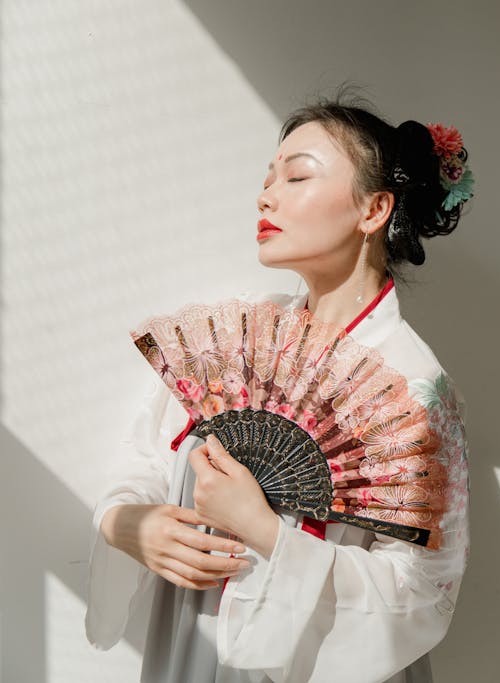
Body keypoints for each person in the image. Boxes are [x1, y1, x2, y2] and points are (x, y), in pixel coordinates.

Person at [84, 85, 474, 683]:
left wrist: (262, 529)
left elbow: (418, 593)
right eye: (268, 176)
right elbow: (144, 452)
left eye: (297, 177)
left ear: (374, 210)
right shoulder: (241, 338)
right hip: (194, 639)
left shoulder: (412, 386)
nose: (266, 195)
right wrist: (126, 521)